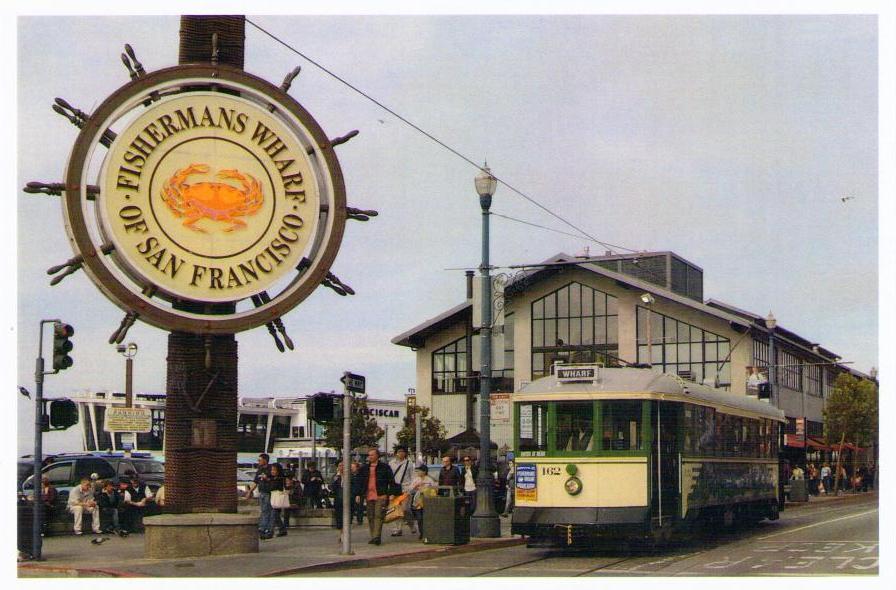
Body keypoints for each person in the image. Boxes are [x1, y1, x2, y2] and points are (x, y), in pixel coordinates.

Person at [357, 448, 394, 545]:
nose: (370, 457)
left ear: (377, 456)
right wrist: (359, 494)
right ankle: (373, 535)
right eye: (369, 455)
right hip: (368, 495)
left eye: (372, 455)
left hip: (381, 495)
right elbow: (360, 482)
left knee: (378, 515)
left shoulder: (384, 467)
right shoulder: (364, 468)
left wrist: (390, 494)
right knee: (370, 515)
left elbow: (391, 481)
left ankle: (377, 536)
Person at [247, 453, 274, 540]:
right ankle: (265, 528)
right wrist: (250, 491)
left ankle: (263, 528)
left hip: (268, 492)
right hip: (261, 492)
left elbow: (274, 479)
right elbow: (256, 481)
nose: (258, 462)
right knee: (264, 510)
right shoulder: (259, 470)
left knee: (267, 511)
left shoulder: (271, 469)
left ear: (265, 460)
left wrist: (267, 478)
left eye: (260, 460)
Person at [388, 446, 414, 537]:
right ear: (396, 453)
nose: (401, 453)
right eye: (399, 451)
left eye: (403, 451)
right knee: (395, 510)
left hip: (405, 489)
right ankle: (397, 529)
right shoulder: (391, 463)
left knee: (405, 509)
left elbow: (412, 477)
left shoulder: (409, 463)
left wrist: (410, 489)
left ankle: (411, 524)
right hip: (395, 489)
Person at [408, 463, 437, 539]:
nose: (418, 472)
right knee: (419, 518)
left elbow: (434, 490)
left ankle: (427, 533)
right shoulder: (416, 479)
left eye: (419, 471)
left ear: (424, 471)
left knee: (426, 518)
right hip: (417, 502)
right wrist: (415, 486)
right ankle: (422, 533)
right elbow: (410, 489)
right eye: (417, 471)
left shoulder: (429, 480)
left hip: (427, 501)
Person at [269, 462, 289, 537]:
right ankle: (282, 529)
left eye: (274, 470)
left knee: (274, 515)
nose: (272, 472)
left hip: (278, 498)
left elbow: (274, 487)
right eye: (272, 470)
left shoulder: (280, 479)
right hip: (274, 498)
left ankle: (270, 532)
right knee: (276, 515)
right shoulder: (273, 478)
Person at [350, 460, 365, 525]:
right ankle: (349, 519)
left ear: (357, 468)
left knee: (359, 508)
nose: (352, 468)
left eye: (353, 467)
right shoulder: (350, 476)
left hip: (358, 494)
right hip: (350, 494)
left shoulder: (360, 476)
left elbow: (361, 486)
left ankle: (359, 520)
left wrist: (359, 494)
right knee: (351, 507)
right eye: (351, 467)